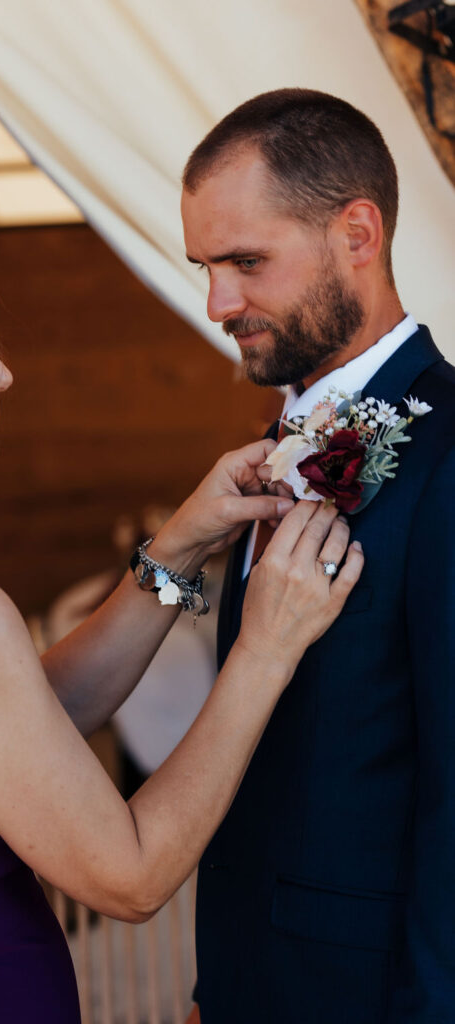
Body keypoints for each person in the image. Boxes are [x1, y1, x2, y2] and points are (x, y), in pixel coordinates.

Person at [0, 228, 362, 1024]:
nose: (4, 375)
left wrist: (178, 546)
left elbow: (20, 725)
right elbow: (131, 878)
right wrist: (264, 650)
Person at [180, 88, 455, 1024]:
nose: (218, 302)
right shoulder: (273, 453)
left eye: (245, 261)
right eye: (205, 267)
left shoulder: (450, 457)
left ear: (357, 233)